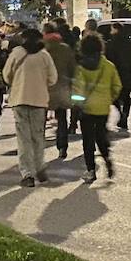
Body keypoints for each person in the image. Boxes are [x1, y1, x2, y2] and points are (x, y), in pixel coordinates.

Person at [2, 28, 58, 187]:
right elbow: (53, 78)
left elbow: (6, 76)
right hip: (39, 101)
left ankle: (27, 173)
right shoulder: (44, 55)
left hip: (20, 99)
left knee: (23, 138)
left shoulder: (16, 53)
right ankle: (40, 166)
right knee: (38, 136)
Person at [72, 33, 122, 183]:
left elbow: (78, 90)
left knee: (87, 141)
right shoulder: (109, 66)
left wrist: (77, 103)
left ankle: (91, 170)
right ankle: (107, 159)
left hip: (86, 109)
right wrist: (109, 98)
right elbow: (117, 86)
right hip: (103, 108)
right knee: (101, 137)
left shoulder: (81, 68)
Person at [44, 22, 77, 160]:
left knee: (40, 119)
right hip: (62, 87)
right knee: (61, 117)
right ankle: (62, 147)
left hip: (44, 89)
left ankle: (38, 147)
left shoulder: (42, 49)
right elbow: (73, 69)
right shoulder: (65, 49)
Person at [104, 23, 131, 131]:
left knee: (114, 97)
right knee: (126, 97)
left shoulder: (111, 44)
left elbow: (108, 59)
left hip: (115, 74)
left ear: (116, 30)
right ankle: (125, 116)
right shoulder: (129, 43)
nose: (110, 31)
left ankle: (121, 113)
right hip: (126, 74)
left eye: (112, 29)